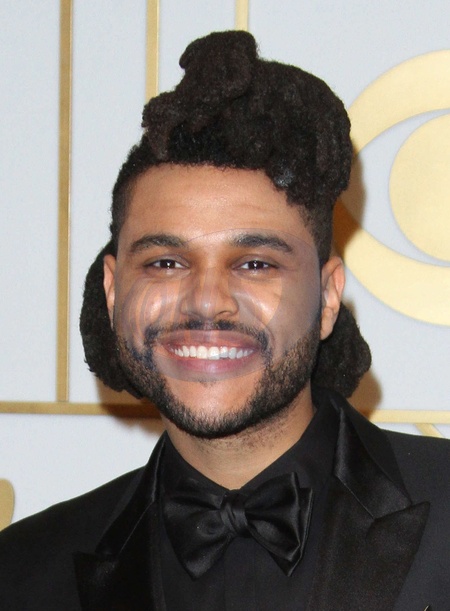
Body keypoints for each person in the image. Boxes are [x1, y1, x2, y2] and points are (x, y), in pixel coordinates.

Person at [0, 30, 449, 610]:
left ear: (328, 297)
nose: (207, 302)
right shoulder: (22, 573)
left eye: (256, 263)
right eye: (166, 262)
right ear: (113, 292)